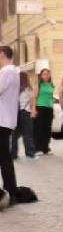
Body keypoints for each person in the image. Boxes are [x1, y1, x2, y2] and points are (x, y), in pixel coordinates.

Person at [0, 46, 21, 205]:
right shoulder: (14, 71)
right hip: (6, 120)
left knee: (4, 158)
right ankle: (11, 190)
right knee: (4, 157)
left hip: (2, 120)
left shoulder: (7, 71)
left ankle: (11, 191)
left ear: (2, 54)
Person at [11, 72, 38, 161]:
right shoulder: (28, 88)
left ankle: (13, 155)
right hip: (26, 113)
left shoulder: (14, 89)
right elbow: (32, 100)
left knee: (14, 135)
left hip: (16, 113)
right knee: (28, 134)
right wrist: (33, 109)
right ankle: (30, 154)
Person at [33, 68, 54, 155]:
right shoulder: (39, 85)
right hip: (40, 107)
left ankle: (45, 148)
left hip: (49, 109)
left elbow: (51, 98)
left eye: (47, 74)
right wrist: (34, 109)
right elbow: (34, 97)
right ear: (41, 76)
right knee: (39, 129)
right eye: (44, 74)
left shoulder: (51, 85)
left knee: (47, 129)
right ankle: (38, 148)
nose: (46, 76)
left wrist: (53, 110)